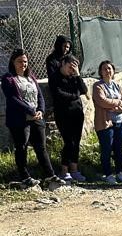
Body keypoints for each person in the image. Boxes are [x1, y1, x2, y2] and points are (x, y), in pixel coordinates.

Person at [1, 48, 61, 187]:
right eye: (20, 61)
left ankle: (49, 175)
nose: (23, 64)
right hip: (20, 120)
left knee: (41, 147)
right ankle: (24, 176)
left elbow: (40, 95)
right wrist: (30, 110)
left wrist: (41, 110)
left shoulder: (31, 77)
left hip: (36, 118)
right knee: (21, 147)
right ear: (13, 62)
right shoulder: (8, 78)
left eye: (25, 61)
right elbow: (13, 98)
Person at [92, 60, 122, 184]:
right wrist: (117, 102)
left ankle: (119, 172)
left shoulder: (117, 86)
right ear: (100, 72)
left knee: (119, 148)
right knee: (107, 148)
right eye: (104, 69)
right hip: (106, 123)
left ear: (113, 71)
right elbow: (101, 101)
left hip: (120, 122)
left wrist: (119, 107)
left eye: (109, 68)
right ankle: (108, 174)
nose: (107, 71)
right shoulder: (98, 86)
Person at [50, 53, 88, 182]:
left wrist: (77, 75)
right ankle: (64, 170)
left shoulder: (74, 77)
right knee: (68, 142)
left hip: (77, 113)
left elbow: (83, 90)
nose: (71, 69)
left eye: (74, 67)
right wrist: (74, 95)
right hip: (63, 114)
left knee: (76, 142)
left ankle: (74, 169)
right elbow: (59, 94)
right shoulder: (55, 77)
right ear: (63, 63)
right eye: (70, 66)